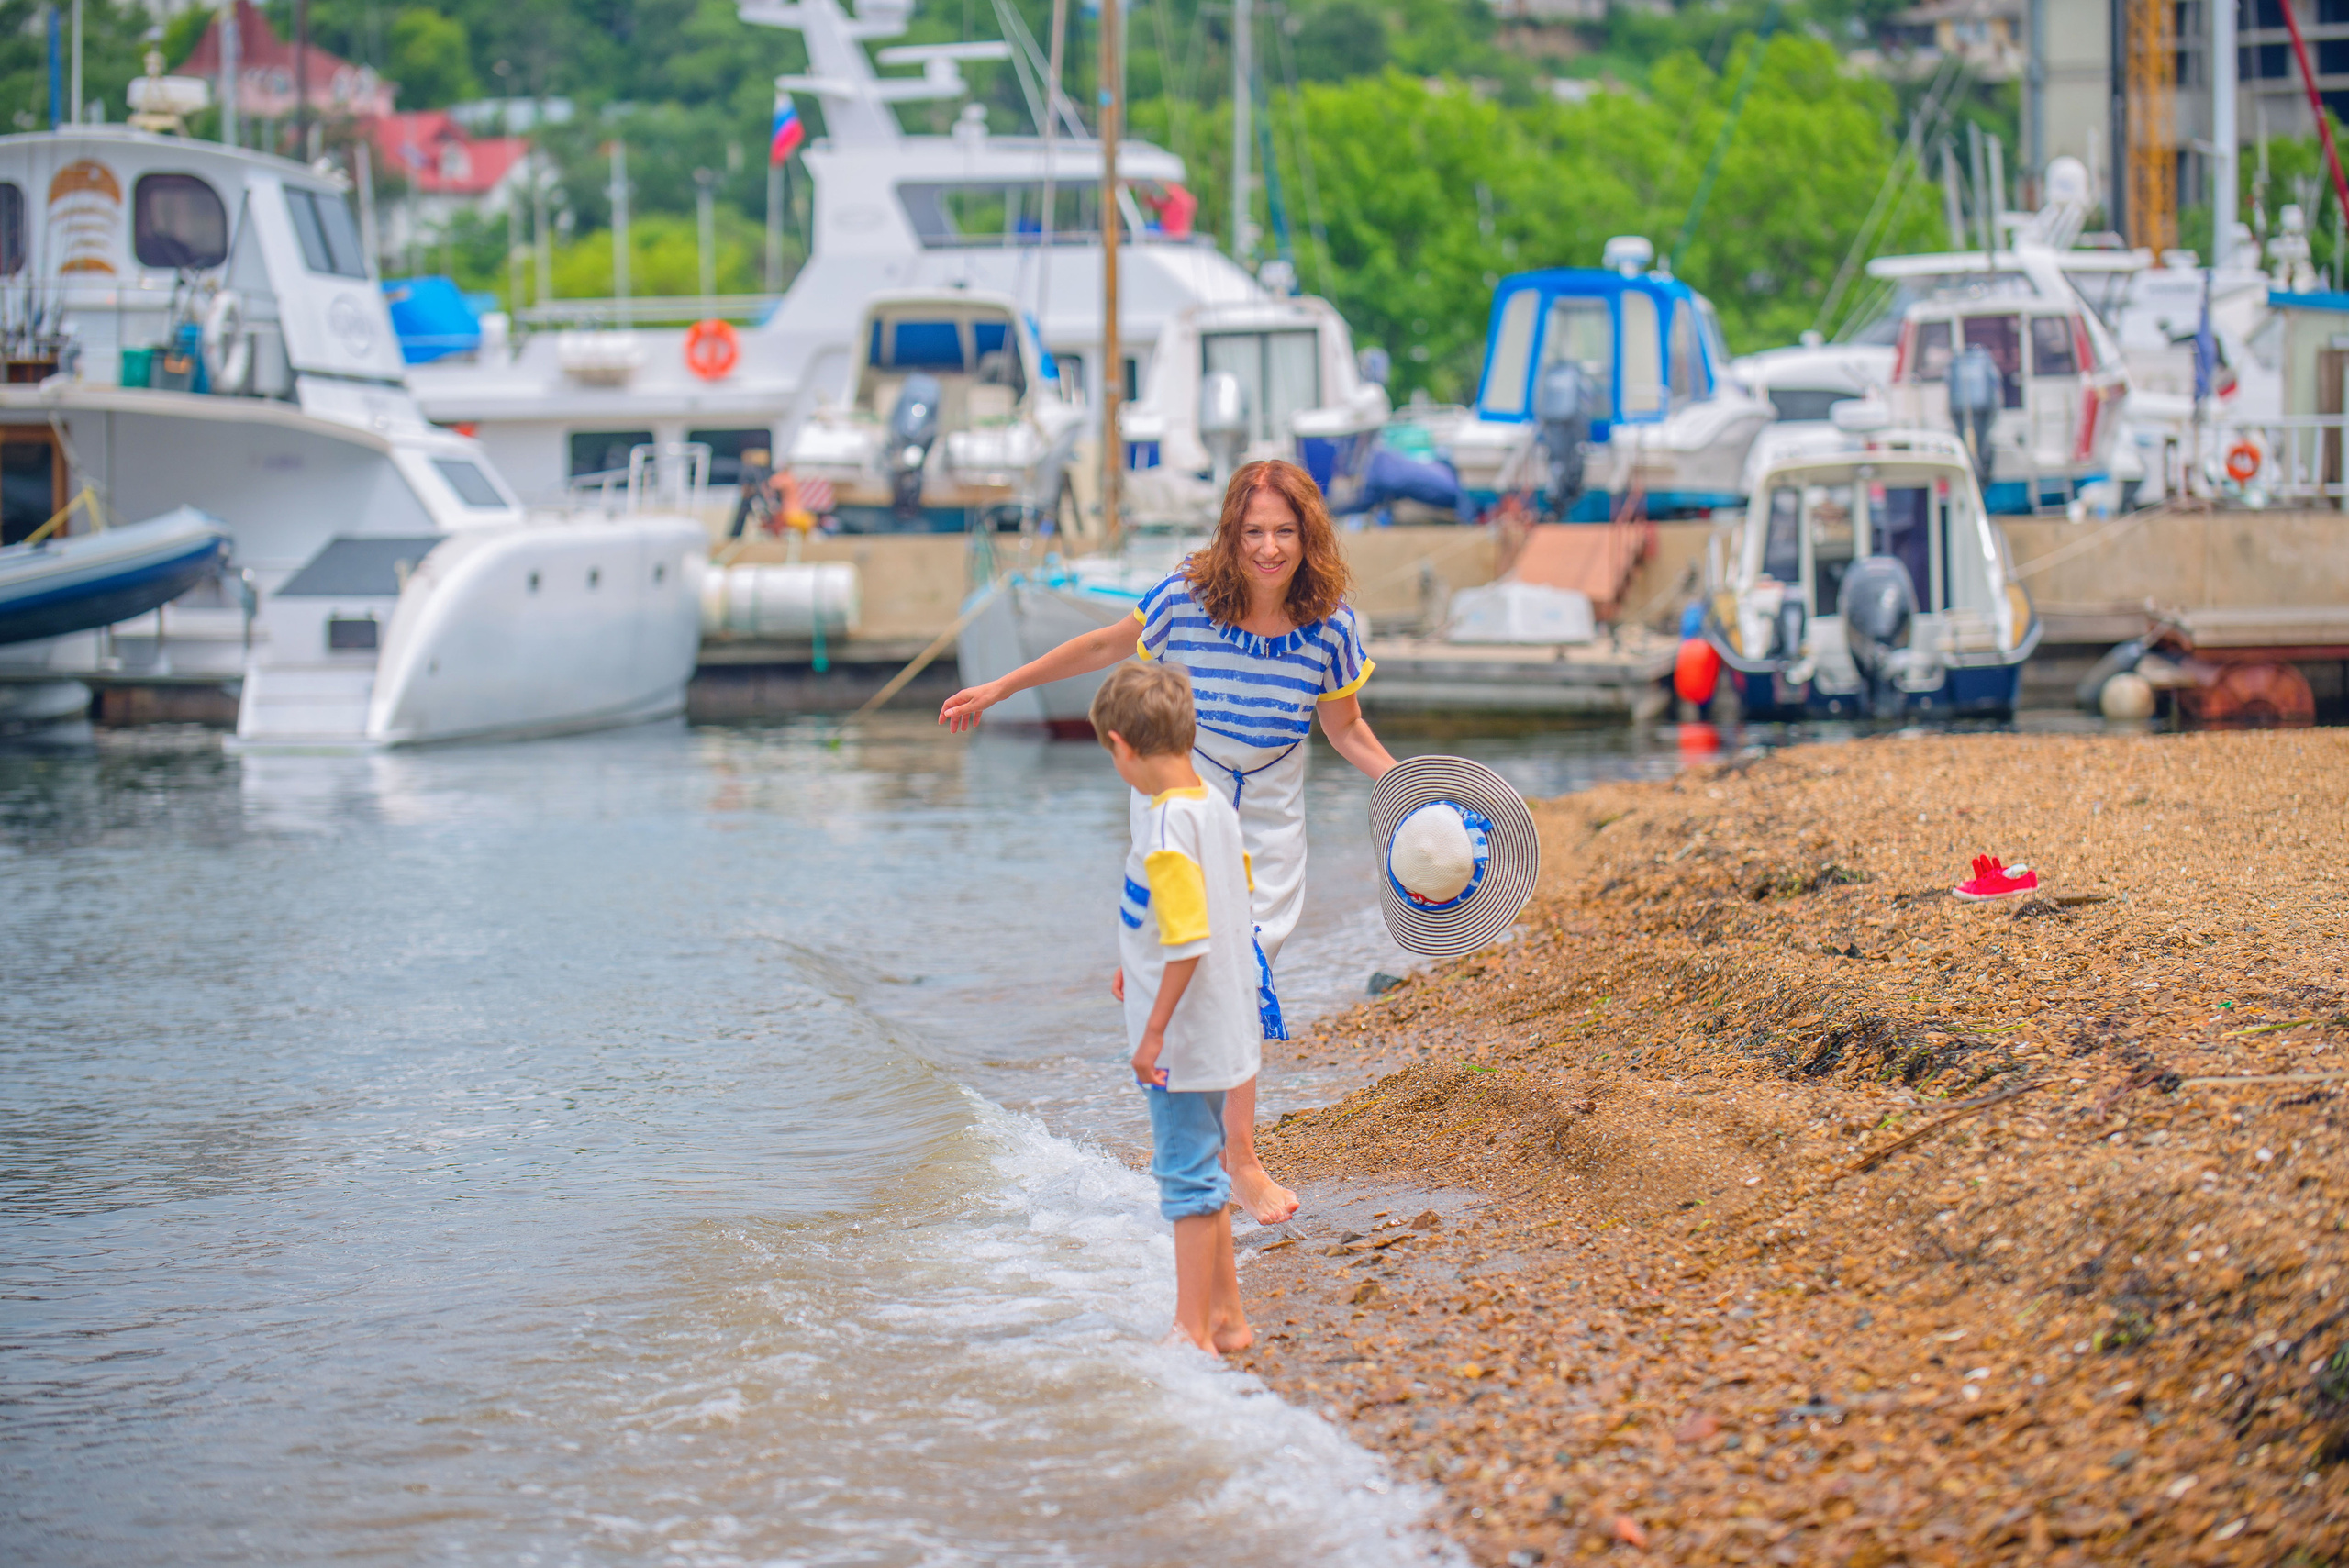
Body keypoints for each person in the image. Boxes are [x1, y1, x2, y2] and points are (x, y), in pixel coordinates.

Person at [940, 459, 1398, 1225]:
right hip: (1189, 789)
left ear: (1308, 536)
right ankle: (1240, 1160)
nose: (1268, 548)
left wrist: (1406, 786)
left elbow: (1345, 728)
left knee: (1243, 963)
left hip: (1274, 806)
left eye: (1285, 532)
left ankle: (1166, 1002)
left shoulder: (1332, 625)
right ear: (1232, 531)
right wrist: (1002, 687)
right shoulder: (1188, 597)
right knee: (1222, 961)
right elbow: (1100, 647)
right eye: (1254, 531)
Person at [1092, 660, 1256, 1355]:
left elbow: (1186, 938)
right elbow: (1218, 902)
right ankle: (1228, 1317)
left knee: (1187, 1178)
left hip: (1183, 1041)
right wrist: (1136, 964)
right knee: (1210, 1167)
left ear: (1121, 746)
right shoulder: (1212, 805)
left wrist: (1152, 1032)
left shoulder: (1161, 830)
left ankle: (1191, 1329)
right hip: (1225, 1024)